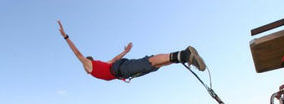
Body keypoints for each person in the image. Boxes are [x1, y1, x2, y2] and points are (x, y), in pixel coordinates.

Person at [57, 20, 206, 82]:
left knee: (151, 61)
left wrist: (65, 37)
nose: (84, 67)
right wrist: (126, 52)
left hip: (121, 69)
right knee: (155, 65)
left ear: (87, 62)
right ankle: (181, 57)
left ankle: (185, 54)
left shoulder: (89, 65)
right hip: (121, 70)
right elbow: (114, 58)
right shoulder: (100, 65)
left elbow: (77, 53)